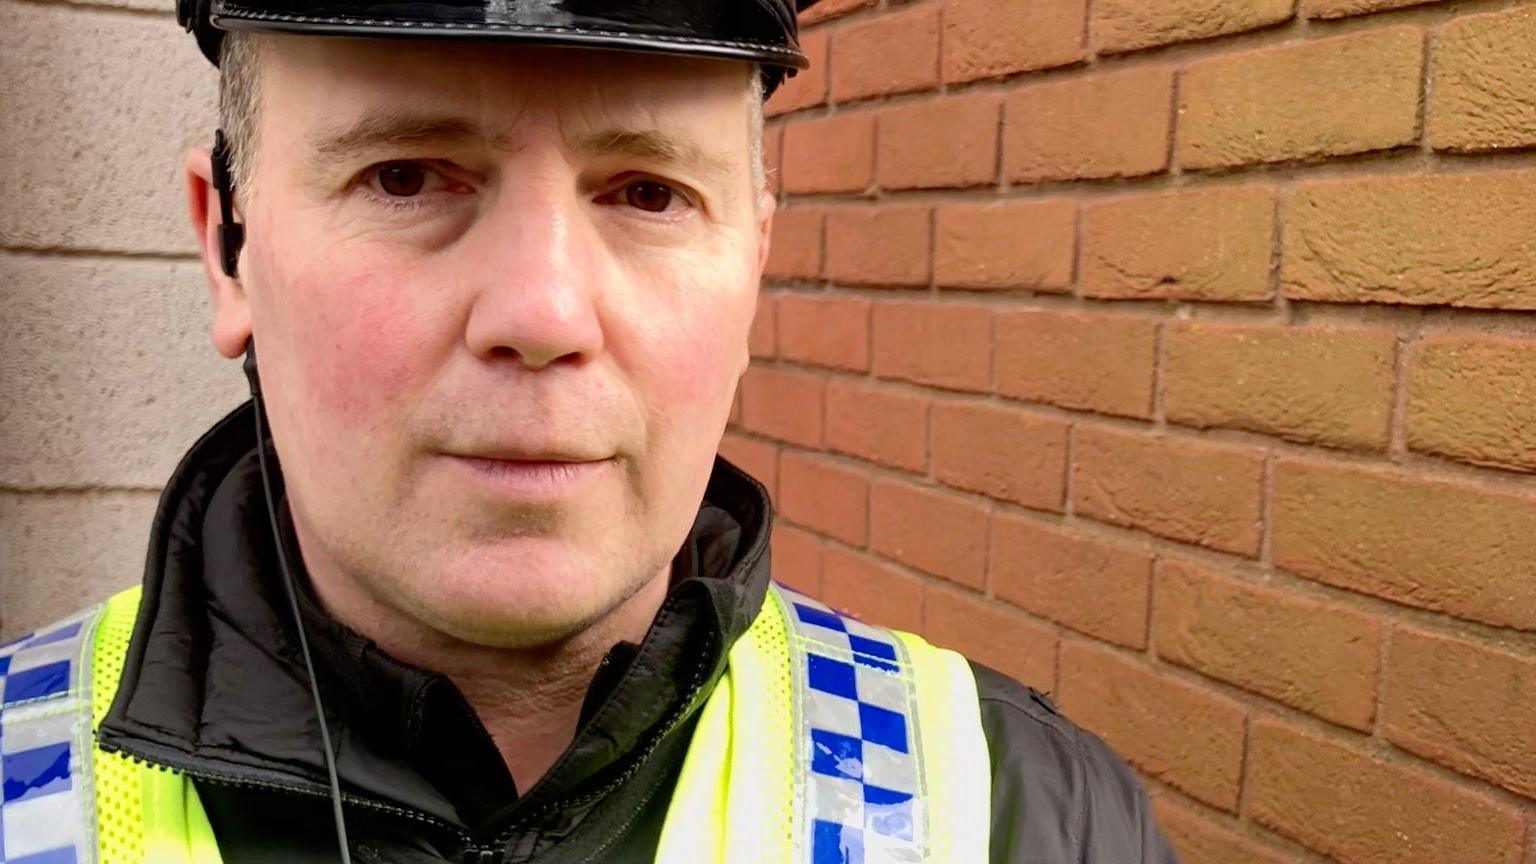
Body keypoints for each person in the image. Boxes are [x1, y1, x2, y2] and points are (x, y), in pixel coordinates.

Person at [0, 1, 1179, 861]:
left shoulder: (1030, 819)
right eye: (408, 176)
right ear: (228, 249)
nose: (544, 314)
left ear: (755, 261)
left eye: (649, 192)